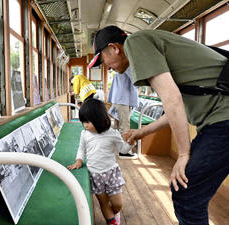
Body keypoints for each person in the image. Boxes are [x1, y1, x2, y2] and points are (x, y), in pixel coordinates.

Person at [88, 25, 229, 225]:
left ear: (114, 48)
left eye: (102, 59)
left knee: (187, 192)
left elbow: (172, 99)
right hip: (218, 121)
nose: (107, 67)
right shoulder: (149, 52)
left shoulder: (135, 43)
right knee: (189, 191)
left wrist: (182, 154)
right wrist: (143, 131)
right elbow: (174, 108)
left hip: (223, 120)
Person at [67, 98, 134, 225]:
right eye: (83, 122)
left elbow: (123, 149)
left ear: (99, 119)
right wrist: (79, 160)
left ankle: (115, 213)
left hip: (111, 173)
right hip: (95, 175)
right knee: (103, 203)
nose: (85, 125)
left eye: (87, 121)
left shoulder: (112, 133)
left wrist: (130, 142)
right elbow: (81, 149)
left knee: (118, 204)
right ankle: (111, 221)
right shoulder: (85, 134)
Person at [107, 69, 138, 159]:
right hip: (123, 100)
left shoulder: (119, 70)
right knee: (125, 127)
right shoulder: (127, 68)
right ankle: (124, 152)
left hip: (117, 99)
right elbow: (136, 81)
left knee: (117, 126)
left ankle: (119, 148)